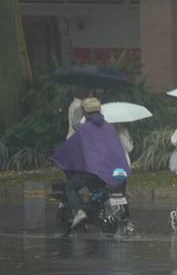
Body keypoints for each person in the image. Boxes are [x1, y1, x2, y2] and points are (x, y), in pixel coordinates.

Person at [50, 97, 131, 229]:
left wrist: (58, 157)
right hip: (111, 170)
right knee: (98, 189)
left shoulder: (84, 129)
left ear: (85, 112)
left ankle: (79, 212)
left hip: (91, 170)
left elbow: (71, 148)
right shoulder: (109, 128)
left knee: (70, 187)